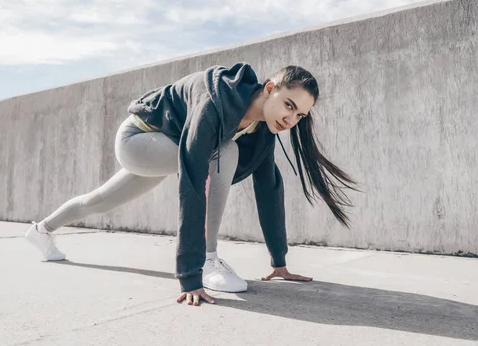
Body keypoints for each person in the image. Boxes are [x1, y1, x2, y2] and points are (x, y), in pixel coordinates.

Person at [25, 62, 358, 306]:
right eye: (289, 105)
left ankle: (42, 230)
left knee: (100, 200)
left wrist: (279, 263)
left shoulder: (262, 128)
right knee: (225, 151)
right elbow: (193, 181)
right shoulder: (216, 100)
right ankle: (209, 258)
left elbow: (269, 186)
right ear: (270, 88)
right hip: (139, 137)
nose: (291, 119)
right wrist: (191, 275)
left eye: (299, 115)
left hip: (168, 143)